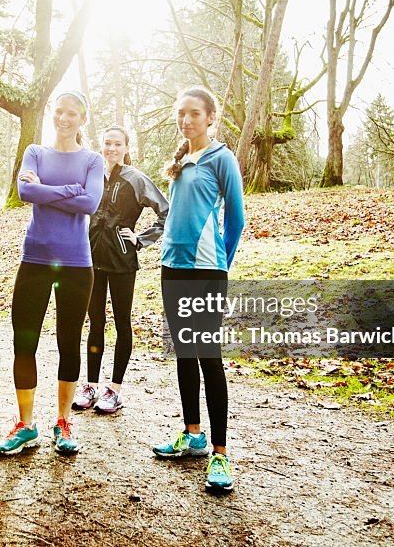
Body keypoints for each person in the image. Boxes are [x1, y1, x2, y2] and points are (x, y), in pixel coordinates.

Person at [0, 90, 104, 457]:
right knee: (24, 341)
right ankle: (26, 425)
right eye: (58, 112)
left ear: (82, 119)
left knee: (69, 342)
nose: (63, 118)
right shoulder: (35, 153)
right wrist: (68, 190)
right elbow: (25, 192)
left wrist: (46, 190)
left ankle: (62, 421)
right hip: (35, 259)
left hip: (76, 263)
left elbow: (90, 202)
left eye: (72, 113)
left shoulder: (92, 160)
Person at [151, 87, 245, 494]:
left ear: (210, 117)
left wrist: (218, 263)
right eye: (182, 114)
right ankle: (193, 435)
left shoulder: (221, 158)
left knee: (208, 355)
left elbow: (236, 219)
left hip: (206, 271)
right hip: (171, 268)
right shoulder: (180, 161)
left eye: (194, 114)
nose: (186, 120)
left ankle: (220, 453)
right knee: (184, 352)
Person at [74, 125, 168, 414]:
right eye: (107, 144)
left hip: (123, 261)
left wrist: (141, 239)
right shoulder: (93, 177)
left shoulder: (136, 179)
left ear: (126, 148)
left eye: (117, 144)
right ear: (101, 146)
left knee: (122, 322)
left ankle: (114, 390)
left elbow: (166, 210)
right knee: (95, 321)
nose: (112, 148)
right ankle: (90, 385)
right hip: (92, 259)